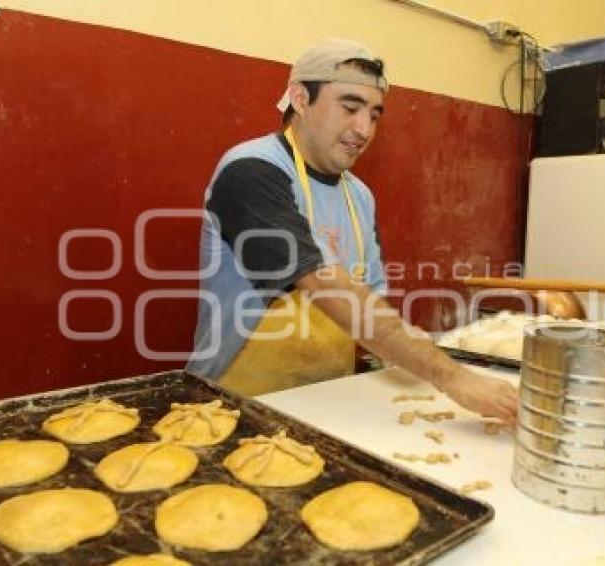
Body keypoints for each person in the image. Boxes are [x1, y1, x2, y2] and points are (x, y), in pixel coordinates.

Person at [187, 38, 517, 426]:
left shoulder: (358, 195)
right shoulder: (251, 172)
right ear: (299, 98)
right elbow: (329, 287)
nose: (363, 129)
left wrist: (422, 361)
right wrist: (452, 378)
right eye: (349, 107)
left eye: (375, 115)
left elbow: (371, 300)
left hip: (330, 405)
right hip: (234, 405)